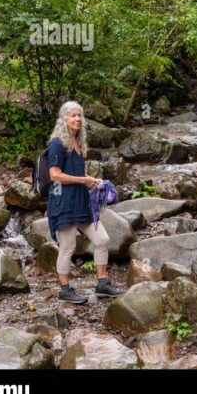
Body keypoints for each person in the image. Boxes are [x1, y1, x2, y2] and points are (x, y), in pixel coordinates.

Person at [47, 101, 124, 303]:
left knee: (102, 239)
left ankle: (102, 283)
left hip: (81, 202)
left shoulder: (78, 143)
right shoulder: (57, 143)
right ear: (64, 119)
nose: (77, 119)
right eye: (73, 115)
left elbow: (76, 172)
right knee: (68, 247)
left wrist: (92, 181)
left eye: (80, 115)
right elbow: (55, 175)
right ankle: (65, 289)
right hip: (63, 203)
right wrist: (84, 180)